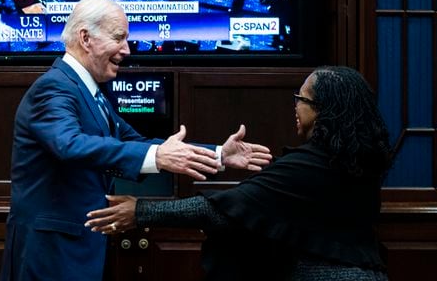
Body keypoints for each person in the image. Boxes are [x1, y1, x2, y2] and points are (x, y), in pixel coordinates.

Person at [0, 0, 273, 281]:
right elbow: (70, 145)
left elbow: (136, 141)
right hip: (50, 254)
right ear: (86, 38)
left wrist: (218, 154)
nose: (127, 50)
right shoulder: (54, 88)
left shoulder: (91, 91)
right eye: (119, 38)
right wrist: (158, 156)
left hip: (80, 248)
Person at [86, 65, 393, 281]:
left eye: (301, 99)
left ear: (324, 109)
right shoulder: (360, 163)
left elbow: (221, 211)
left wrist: (140, 210)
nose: (295, 106)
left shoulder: (307, 167)